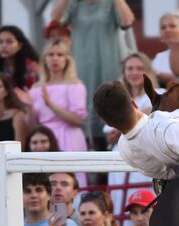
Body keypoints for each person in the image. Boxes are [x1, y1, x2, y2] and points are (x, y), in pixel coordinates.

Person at [51, 0, 135, 149]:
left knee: (112, 106)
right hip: (82, 70)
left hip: (109, 67)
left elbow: (127, 20)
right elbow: (55, 19)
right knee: (87, 114)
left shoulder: (110, 4)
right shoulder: (75, 4)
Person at [15, 39, 88, 154]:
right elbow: (32, 126)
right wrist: (29, 108)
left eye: (60, 54)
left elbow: (78, 120)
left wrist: (50, 104)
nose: (55, 58)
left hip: (69, 138)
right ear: (44, 59)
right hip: (43, 141)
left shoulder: (75, 85)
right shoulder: (36, 88)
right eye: (51, 54)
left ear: (67, 60)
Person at [104, 124, 153, 226]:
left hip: (145, 147)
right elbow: (108, 130)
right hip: (120, 150)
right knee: (120, 200)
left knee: (146, 200)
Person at [152, 11, 179, 87]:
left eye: (172, 26)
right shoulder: (159, 57)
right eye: (163, 27)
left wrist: (159, 74)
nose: (167, 30)